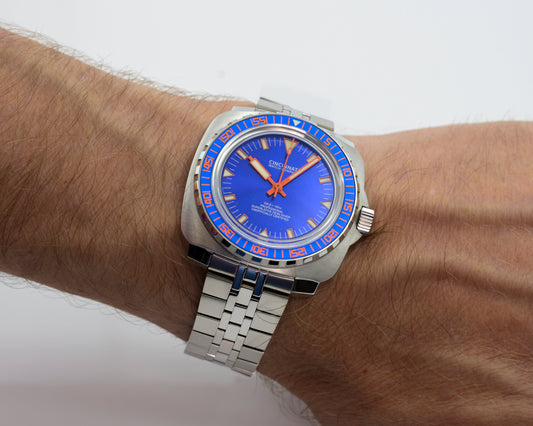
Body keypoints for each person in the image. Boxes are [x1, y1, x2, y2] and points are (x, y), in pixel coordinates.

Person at [1, 26, 532, 425]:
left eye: (286, 184)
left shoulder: (336, 215)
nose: (277, 189)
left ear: (357, 221)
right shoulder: (229, 162)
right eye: (270, 178)